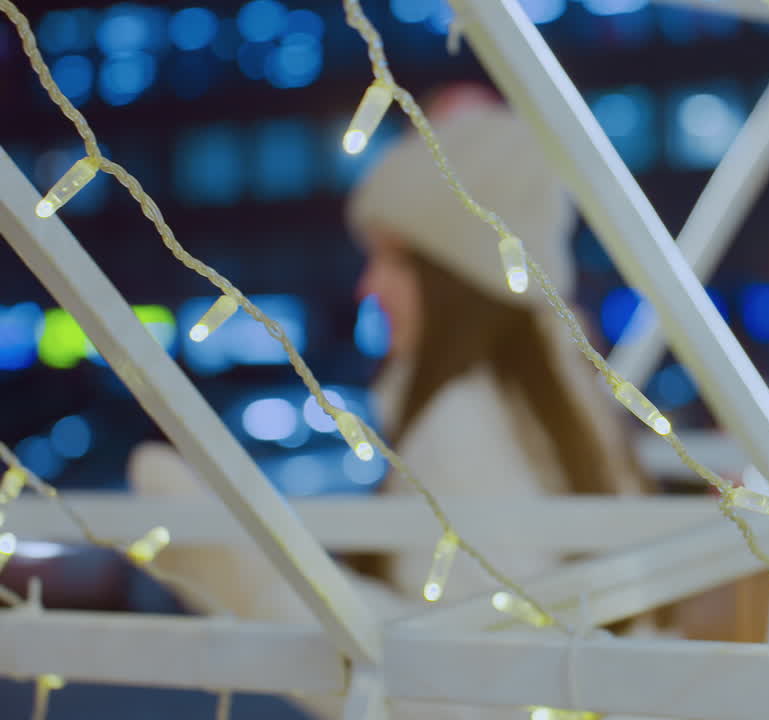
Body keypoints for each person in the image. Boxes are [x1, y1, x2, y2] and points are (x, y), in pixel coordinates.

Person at [128, 91, 648, 717]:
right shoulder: (555, 403)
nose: (368, 284)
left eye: (393, 258)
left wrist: (245, 576)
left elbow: (461, 685)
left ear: (456, 275)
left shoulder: (463, 424)